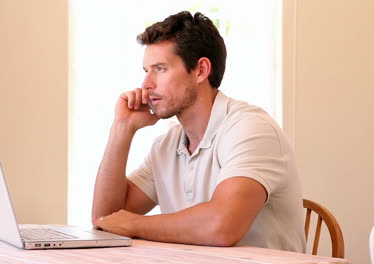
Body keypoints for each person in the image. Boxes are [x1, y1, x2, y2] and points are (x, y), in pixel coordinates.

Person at [91, 11, 306, 252]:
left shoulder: (252, 129)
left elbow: (222, 225)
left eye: (160, 69)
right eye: (146, 71)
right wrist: (122, 129)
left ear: (201, 70)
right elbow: (106, 221)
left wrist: (134, 223)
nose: (146, 85)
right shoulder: (167, 145)